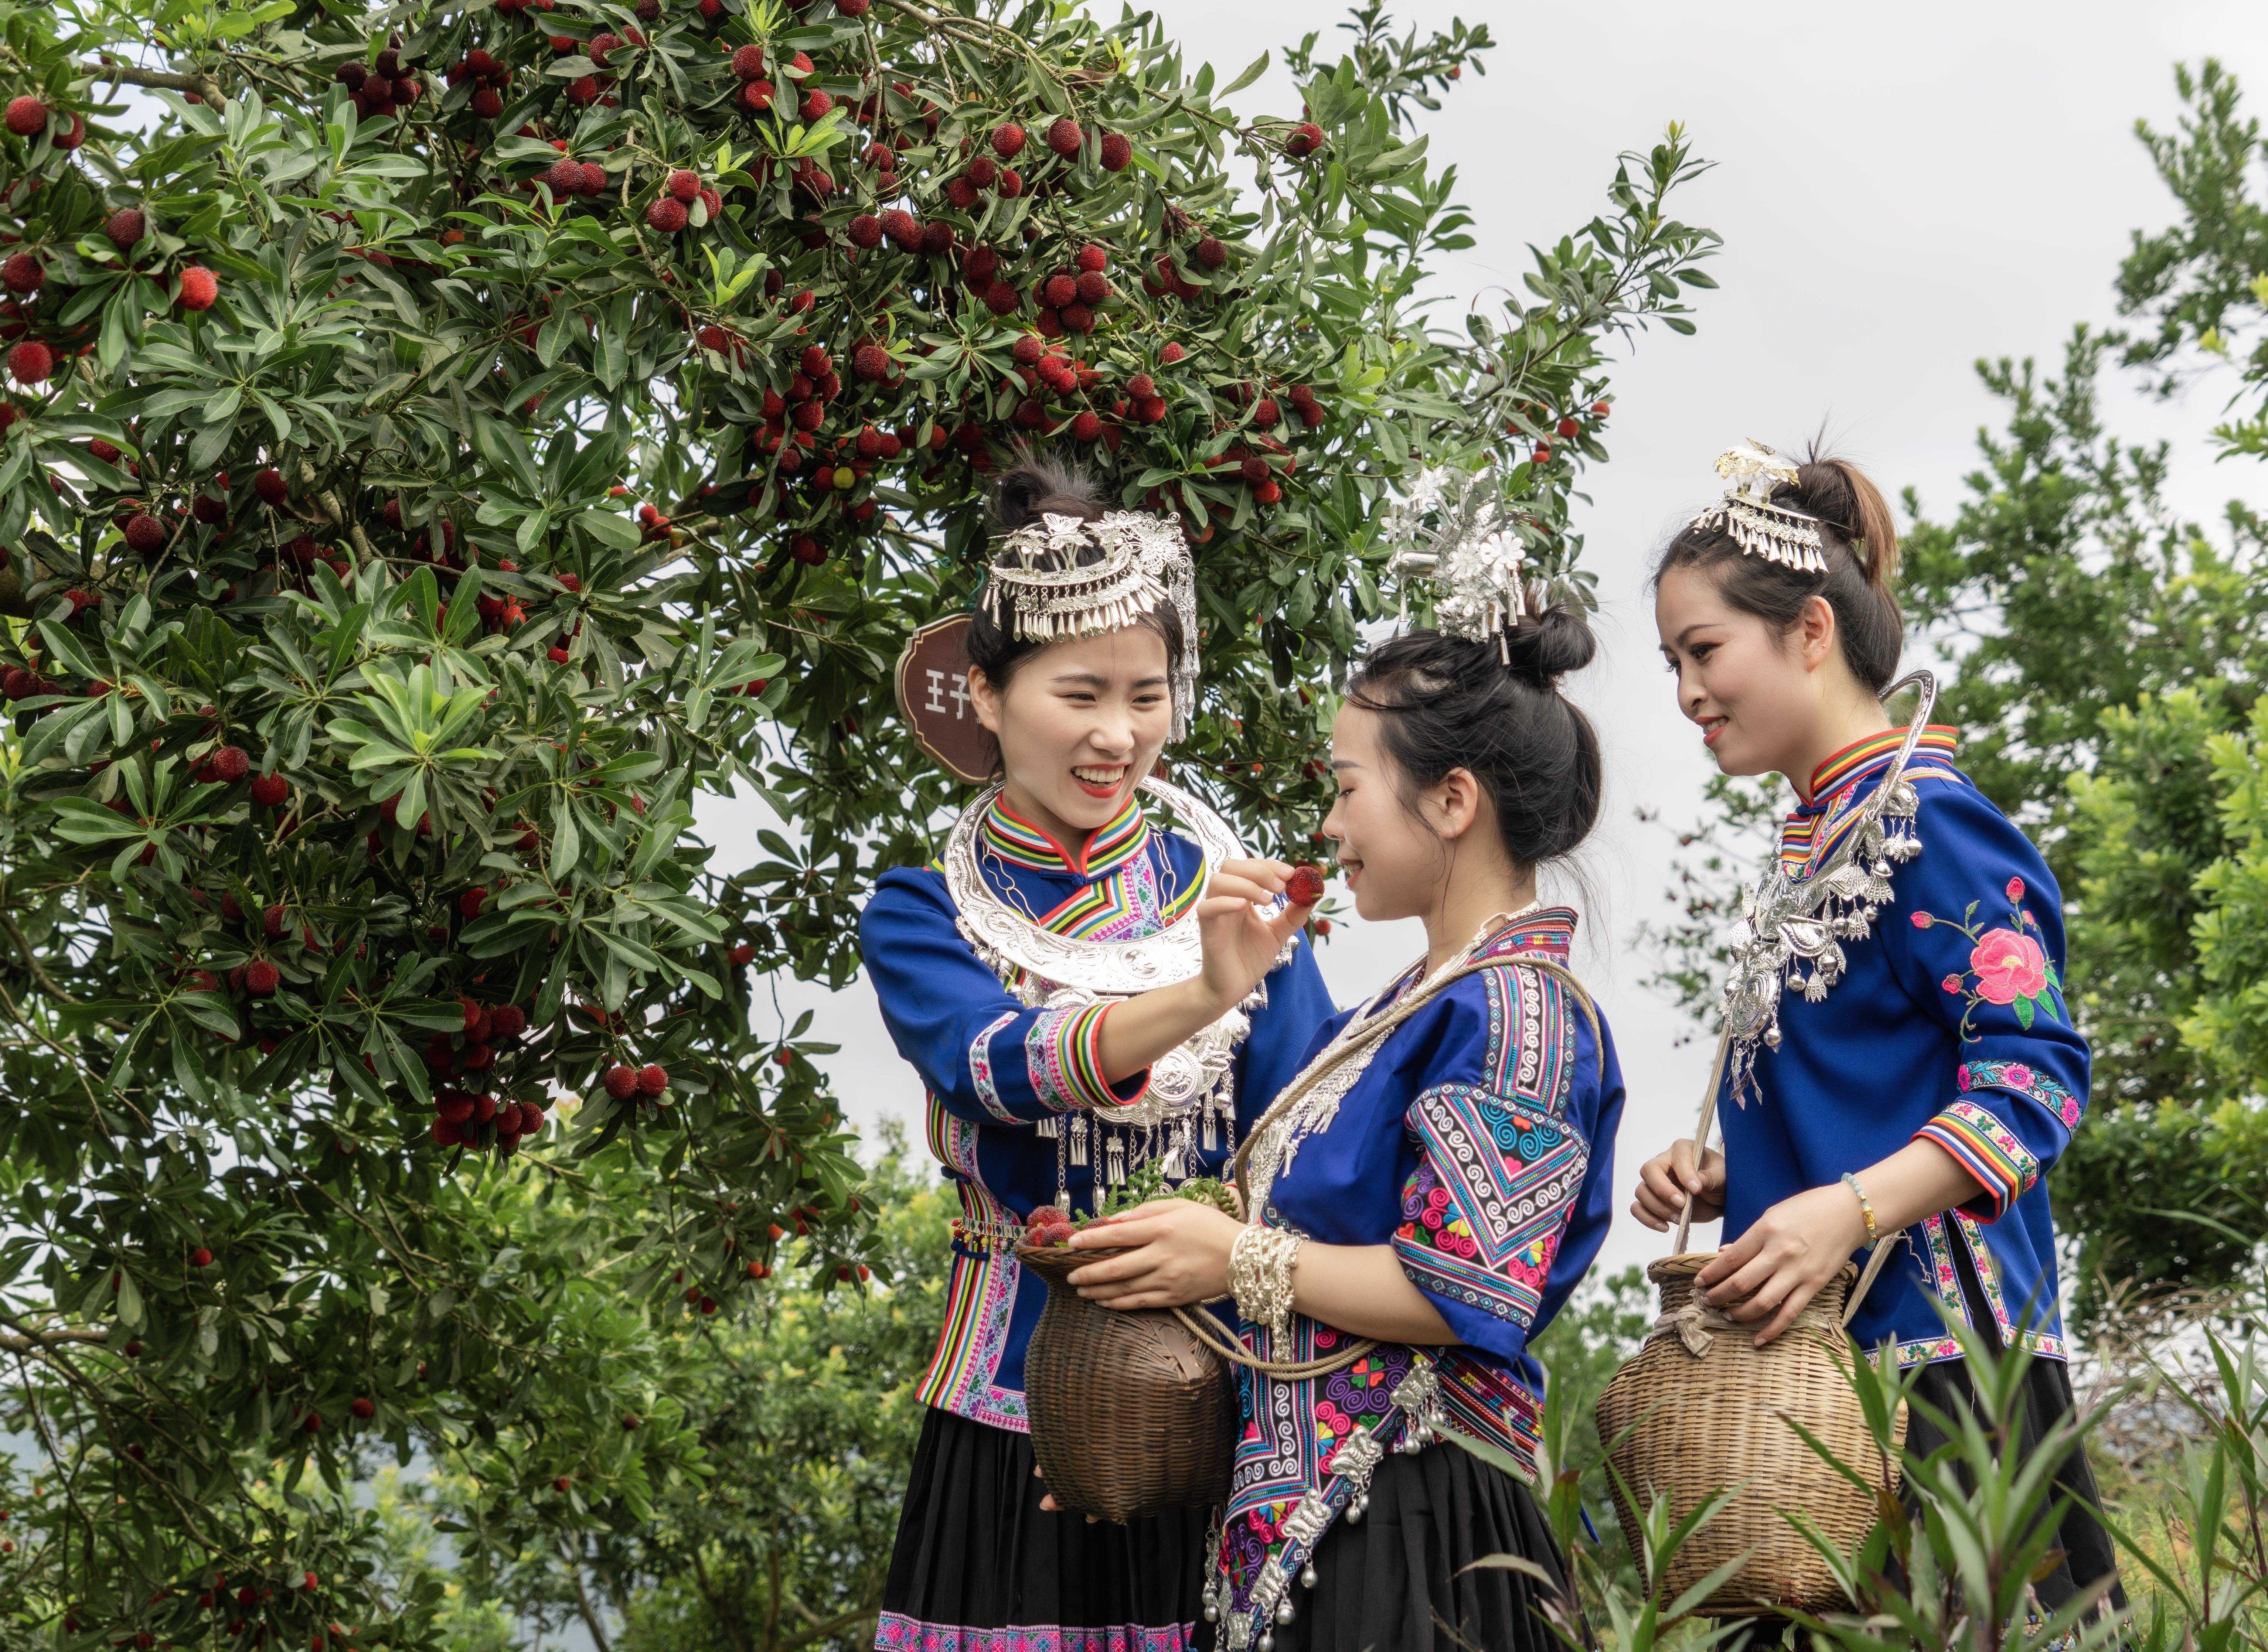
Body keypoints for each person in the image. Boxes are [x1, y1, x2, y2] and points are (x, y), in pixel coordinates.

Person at [1064, 595, 1624, 1652]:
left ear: (1451, 801)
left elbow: (1467, 1290)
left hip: (1418, 1528)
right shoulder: (1398, 1011)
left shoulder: (1519, 1012)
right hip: (1323, 1526)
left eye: (1347, 787)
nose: (1329, 824)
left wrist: (1236, 1257)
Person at [1628, 441, 2124, 1631]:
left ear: (1809, 630)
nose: (1687, 692)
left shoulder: (1937, 830)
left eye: (1705, 651)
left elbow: (2037, 1083)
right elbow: (1870, 1101)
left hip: (1945, 1376)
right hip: (1801, 1392)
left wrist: (1845, 1211)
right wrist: (1736, 1175)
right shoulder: (1818, 849)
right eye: (1673, 664)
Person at [860, 458, 1335, 1652]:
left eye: (1146, 696)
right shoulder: (923, 913)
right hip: (1014, 1403)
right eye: (1079, 694)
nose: (1116, 736)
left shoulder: (1231, 896)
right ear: (986, 693)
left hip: (1229, 1395)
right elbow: (997, 1067)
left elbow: (1310, 1128)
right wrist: (1207, 992)